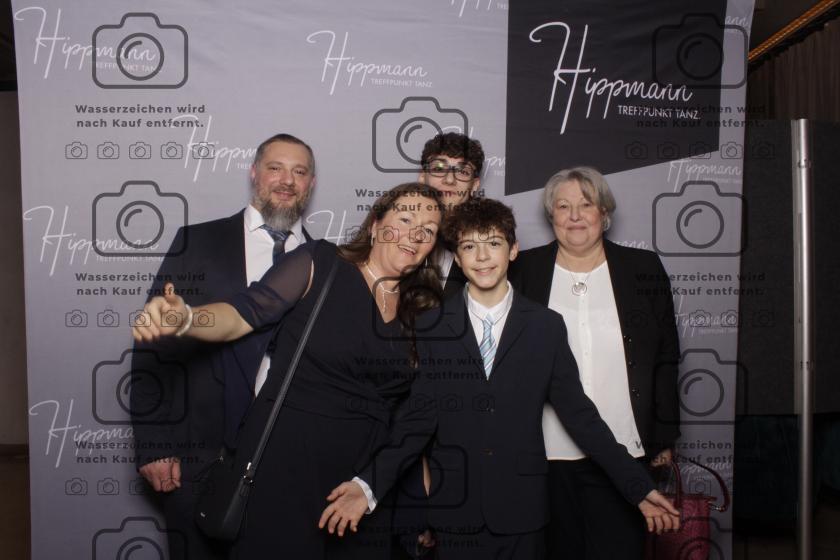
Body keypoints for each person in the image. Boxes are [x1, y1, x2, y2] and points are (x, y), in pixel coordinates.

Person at [319, 198, 680, 560]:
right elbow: (417, 422)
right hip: (456, 512)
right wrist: (368, 486)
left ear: (513, 250)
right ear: (457, 258)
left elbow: (580, 416)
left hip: (523, 512)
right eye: (469, 246)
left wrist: (637, 487)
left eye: (493, 243)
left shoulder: (545, 326)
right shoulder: (433, 327)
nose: (482, 257)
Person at [132, 183, 445, 559]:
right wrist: (187, 318)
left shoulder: (425, 311)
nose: (414, 235)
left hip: (361, 490)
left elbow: (419, 417)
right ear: (376, 224)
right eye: (405, 220)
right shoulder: (320, 263)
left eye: (427, 231)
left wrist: (370, 486)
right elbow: (242, 314)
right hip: (285, 468)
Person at [130, 133, 317, 559]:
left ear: (310, 183)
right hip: (198, 455)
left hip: (287, 458)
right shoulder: (197, 242)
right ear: (254, 173)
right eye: (275, 168)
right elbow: (153, 349)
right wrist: (155, 444)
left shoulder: (325, 261)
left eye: (299, 172)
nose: (287, 180)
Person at [509, 166, 681, 559]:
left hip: (624, 448)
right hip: (544, 452)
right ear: (551, 215)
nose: (574, 216)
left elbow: (667, 357)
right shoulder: (523, 270)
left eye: (585, 205)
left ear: (604, 213)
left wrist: (664, 436)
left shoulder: (643, 269)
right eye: (563, 206)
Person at [417, 132, 484, 298]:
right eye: (439, 169)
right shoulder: (397, 233)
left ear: (474, 185)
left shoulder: (487, 241)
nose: (449, 180)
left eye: (462, 172)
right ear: (422, 177)